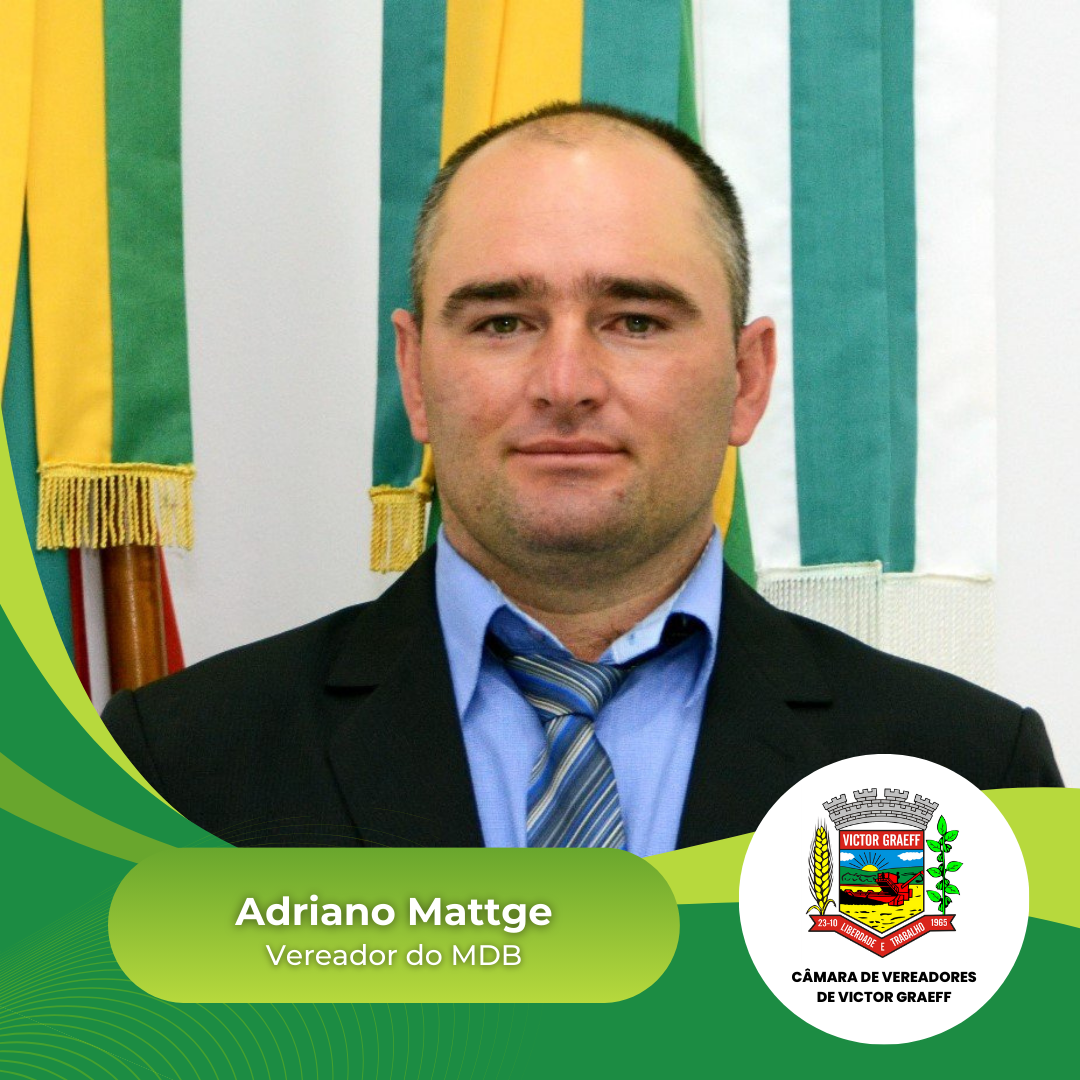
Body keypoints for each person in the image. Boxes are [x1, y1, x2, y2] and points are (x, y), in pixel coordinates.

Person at [103, 102, 1062, 853]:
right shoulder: (178, 766)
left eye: (635, 321)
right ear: (415, 379)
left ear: (747, 379)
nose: (565, 384)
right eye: (502, 322)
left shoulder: (966, 776)